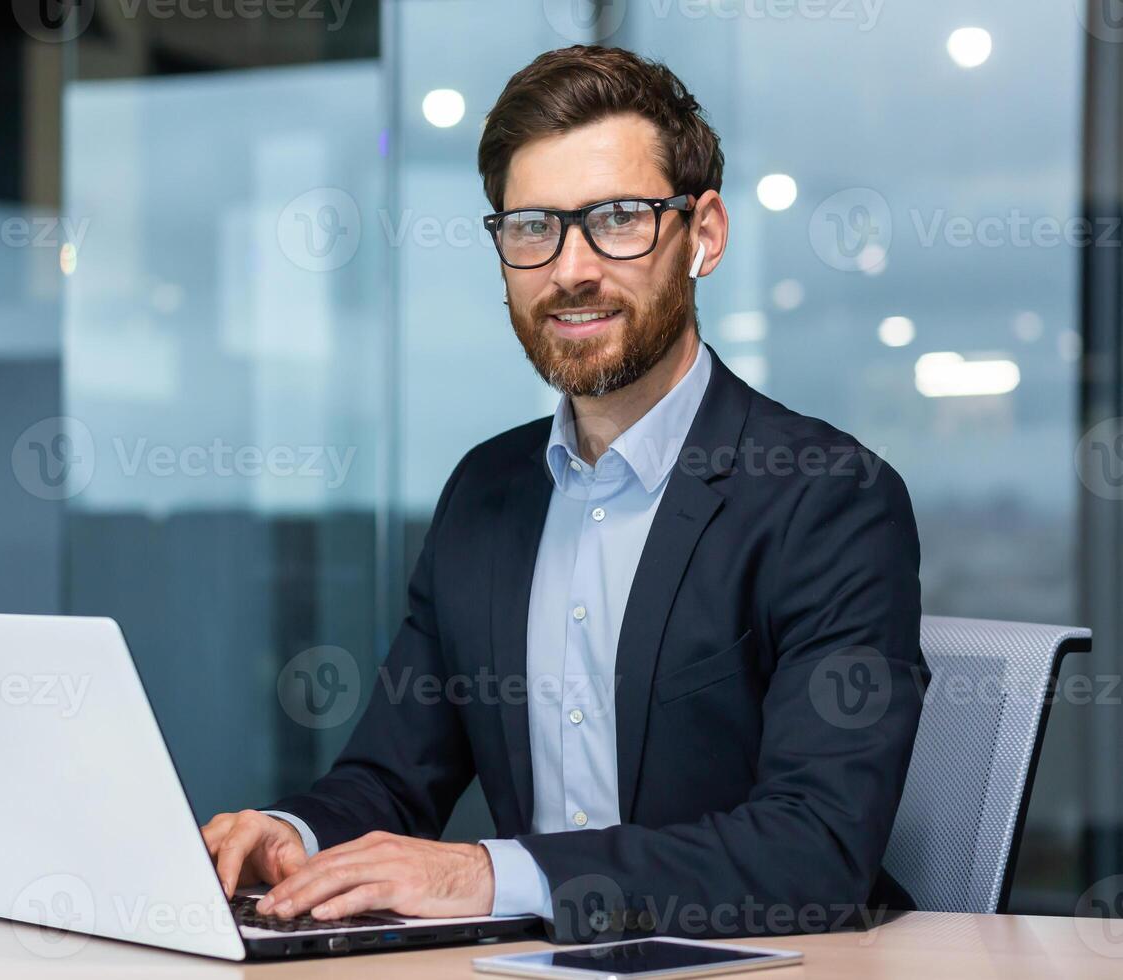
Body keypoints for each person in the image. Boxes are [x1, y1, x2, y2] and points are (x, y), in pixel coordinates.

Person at [203, 44, 924, 942]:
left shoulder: (829, 498)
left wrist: (490, 872)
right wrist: (294, 833)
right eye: (533, 226)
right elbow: (391, 777)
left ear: (704, 233)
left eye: (619, 218)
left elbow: (815, 847)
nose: (571, 268)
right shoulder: (486, 492)